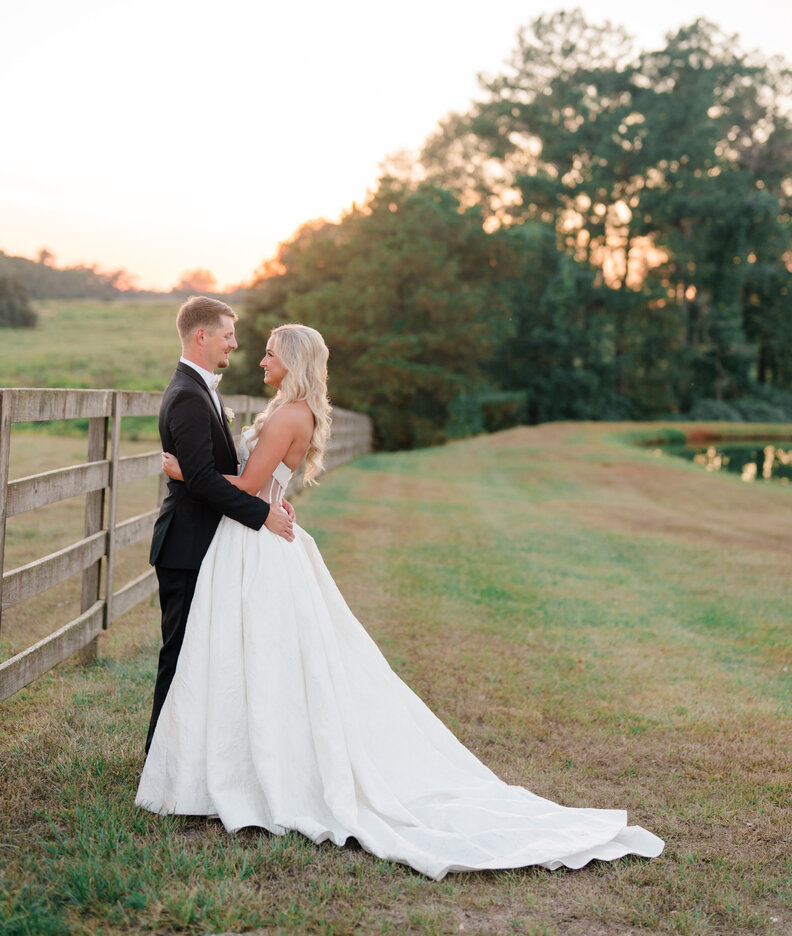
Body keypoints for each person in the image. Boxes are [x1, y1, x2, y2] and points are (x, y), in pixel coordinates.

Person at [137, 323, 664, 879]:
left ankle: (260, 766)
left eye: (268, 352)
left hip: (259, 543)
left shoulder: (290, 416)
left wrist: (182, 470)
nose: (258, 357)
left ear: (291, 361)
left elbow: (246, 489)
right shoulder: (292, 411)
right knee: (264, 658)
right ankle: (239, 757)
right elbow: (262, 484)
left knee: (266, 656)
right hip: (259, 539)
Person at [144, 296, 294, 753]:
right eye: (228, 333)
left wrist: (272, 496)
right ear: (201, 336)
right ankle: (161, 758)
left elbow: (204, 471)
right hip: (186, 545)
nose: (235, 342)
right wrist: (261, 513)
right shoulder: (188, 395)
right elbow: (204, 481)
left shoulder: (202, 387)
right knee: (181, 655)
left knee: (202, 656)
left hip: (204, 543)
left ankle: (191, 756)